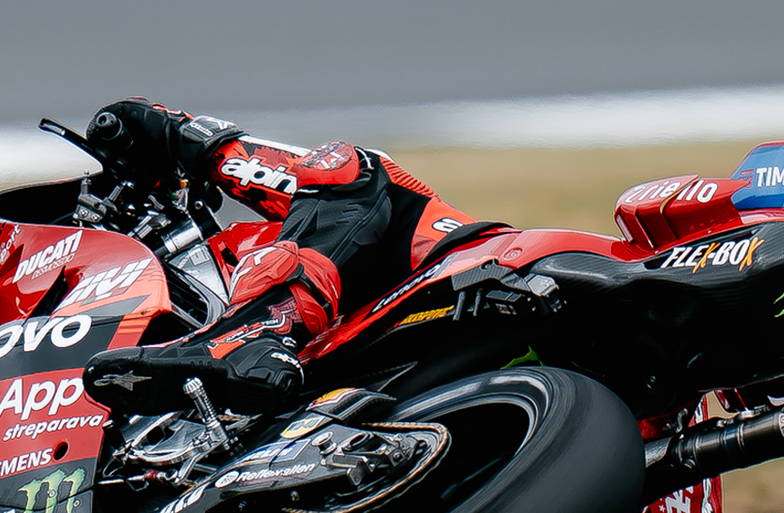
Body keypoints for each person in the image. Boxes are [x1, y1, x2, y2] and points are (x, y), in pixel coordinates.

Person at [79, 98, 498, 415]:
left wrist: (191, 139)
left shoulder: (374, 216)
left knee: (348, 165)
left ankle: (255, 331)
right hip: (440, 375)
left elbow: (342, 173)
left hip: (469, 265)